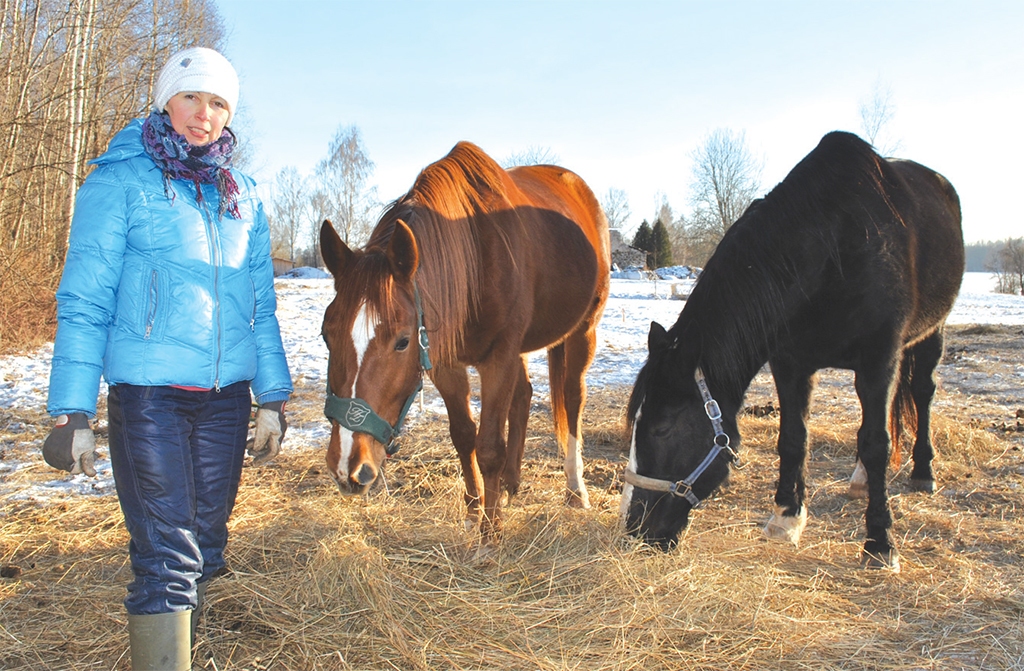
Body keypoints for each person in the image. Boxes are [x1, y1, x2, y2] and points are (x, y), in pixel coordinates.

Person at [43, 46, 292, 670]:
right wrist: (69, 409)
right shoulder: (120, 181)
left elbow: (261, 307)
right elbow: (84, 298)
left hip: (226, 400)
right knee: (167, 554)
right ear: (165, 102)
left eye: (217, 103)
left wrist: (273, 398)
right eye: (190, 98)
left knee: (206, 546)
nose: (202, 115)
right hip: (150, 398)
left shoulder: (243, 197)